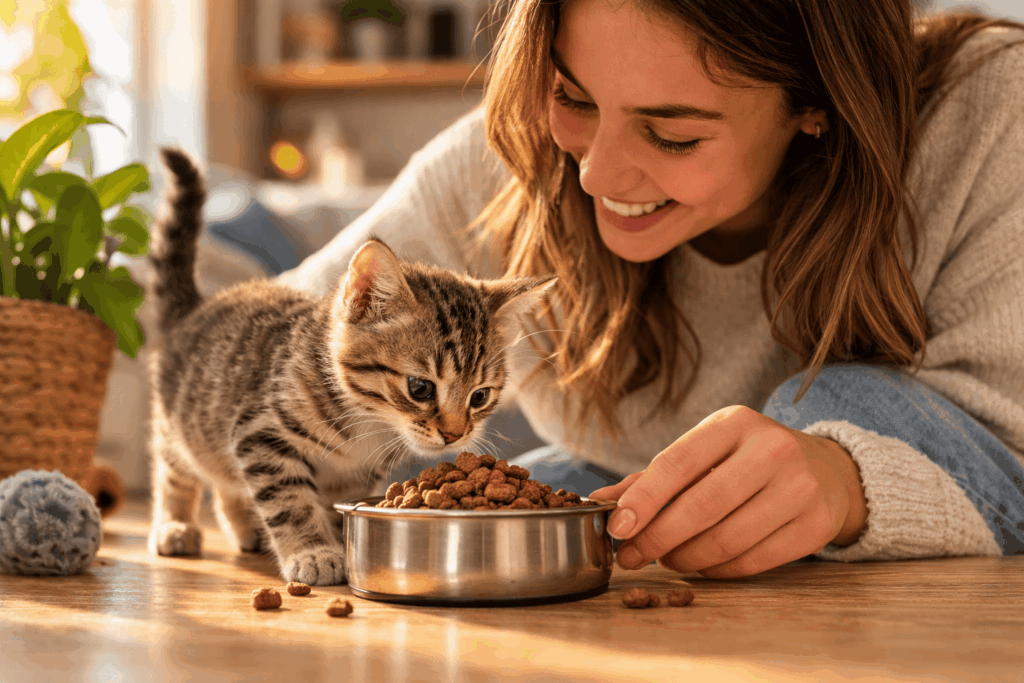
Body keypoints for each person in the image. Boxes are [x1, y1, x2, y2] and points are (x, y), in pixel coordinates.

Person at [276, 0, 1024, 577]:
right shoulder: (509, 157)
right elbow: (274, 343)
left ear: (818, 102)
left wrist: (848, 476)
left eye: (673, 134)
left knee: (856, 399)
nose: (594, 174)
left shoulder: (990, 114)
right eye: (573, 97)